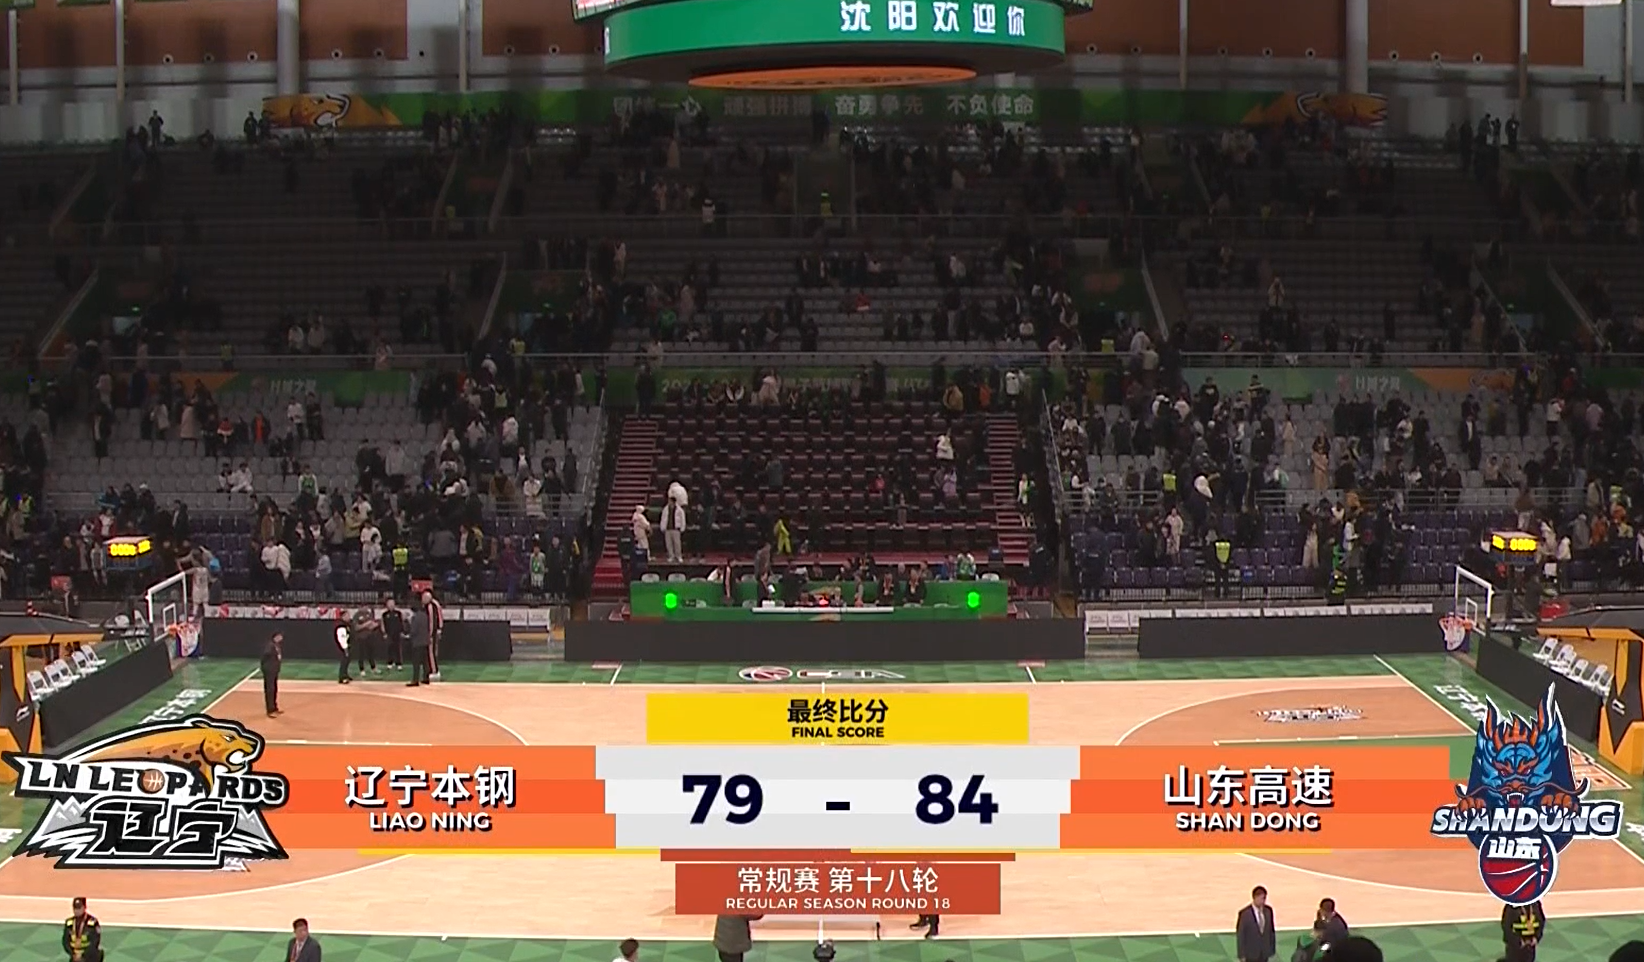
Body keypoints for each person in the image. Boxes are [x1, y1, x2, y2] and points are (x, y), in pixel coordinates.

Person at [1237, 885, 1278, 962]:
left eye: (1265, 898)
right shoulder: (1245, 914)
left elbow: (1271, 931)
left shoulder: (1268, 911)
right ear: (1255, 897)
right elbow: (1241, 935)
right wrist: (1241, 954)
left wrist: (1272, 949)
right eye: (1262, 898)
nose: (1264, 901)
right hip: (1251, 954)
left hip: (1264, 953)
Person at [63, 897, 101, 962]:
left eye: (79, 908)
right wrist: (73, 954)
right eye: (75, 908)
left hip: (90, 957)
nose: (76, 911)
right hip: (74, 957)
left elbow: (95, 941)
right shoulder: (69, 923)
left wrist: (83, 955)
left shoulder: (92, 923)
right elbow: (65, 941)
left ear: (84, 907)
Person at [407, 603, 430, 687]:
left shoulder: (415, 617)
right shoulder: (425, 616)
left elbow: (413, 630)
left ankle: (415, 680)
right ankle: (426, 678)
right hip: (425, 641)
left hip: (417, 642)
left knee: (416, 663)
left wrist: (409, 622)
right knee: (425, 662)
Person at [261, 632, 283, 717]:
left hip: (274, 670)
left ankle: (274, 708)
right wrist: (265, 667)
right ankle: (270, 710)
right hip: (269, 670)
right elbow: (265, 656)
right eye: (279, 636)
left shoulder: (276, 645)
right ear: (275, 637)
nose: (281, 638)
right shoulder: (269, 646)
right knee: (270, 690)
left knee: (274, 689)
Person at [380, 596, 406, 670]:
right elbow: (382, 624)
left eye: (392, 603)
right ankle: (390, 663)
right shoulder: (384, 614)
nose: (391, 605)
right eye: (389, 603)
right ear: (387, 604)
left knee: (397, 648)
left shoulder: (398, 613)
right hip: (389, 634)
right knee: (389, 648)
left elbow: (402, 623)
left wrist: (402, 631)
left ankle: (399, 663)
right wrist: (384, 633)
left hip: (397, 634)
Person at [333, 615, 352, 684]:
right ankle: (342, 677)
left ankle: (345, 674)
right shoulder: (341, 626)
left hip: (348, 645)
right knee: (344, 661)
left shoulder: (347, 625)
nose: (349, 617)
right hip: (343, 647)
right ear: (343, 617)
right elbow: (342, 639)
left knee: (347, 661)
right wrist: (345, 648)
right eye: (347, 615)